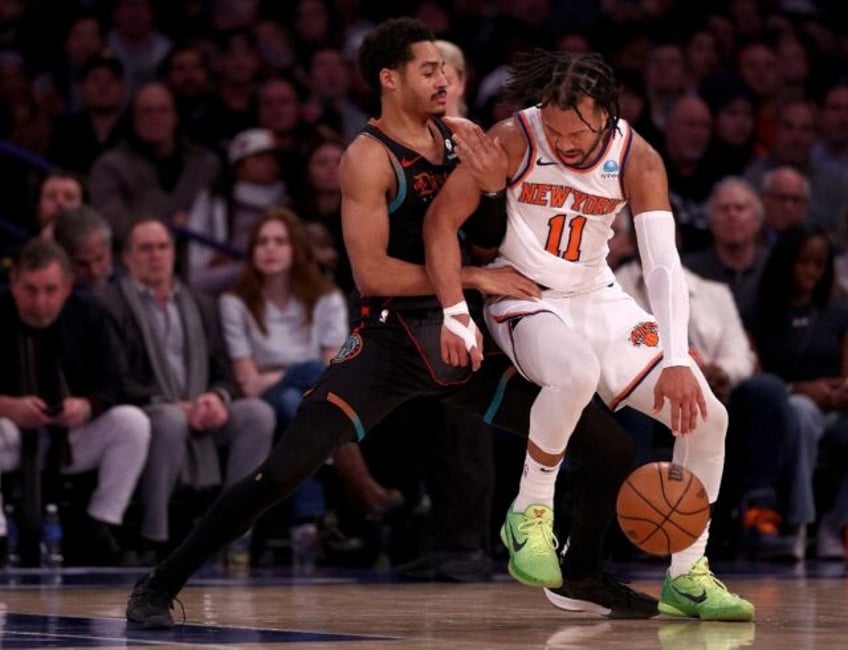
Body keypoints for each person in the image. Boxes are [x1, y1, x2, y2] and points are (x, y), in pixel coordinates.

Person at [125, 17, 655, 628]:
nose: (444, 79)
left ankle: (584, 572)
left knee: (610, 445)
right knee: (284, 470)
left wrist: (486, 195)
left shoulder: (462, 138)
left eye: (447, 69)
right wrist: (474, 281)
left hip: (465, 340)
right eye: (429, 70)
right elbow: (373, 275)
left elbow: (484, 243)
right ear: (389, 78)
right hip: (393, 340)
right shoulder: (366, 157)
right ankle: (160, 584)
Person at [424, 49, 753, 621]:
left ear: (606, 114)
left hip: (596, 297)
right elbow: (439, 222)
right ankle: (529, 512)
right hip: (523, 296)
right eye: (553, 128)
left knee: (709, 417)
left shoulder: (639, 158)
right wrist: (457, 307)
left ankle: (689, 574)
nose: (563, 142)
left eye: (574, 131)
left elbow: (662, 264)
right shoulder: (514, 137)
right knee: (575, 372)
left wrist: (676, 358)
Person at [99, 218, 275, 562]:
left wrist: (218, 398)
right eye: (146, 248)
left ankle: (232, 531)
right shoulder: (111, 304)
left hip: (203, 407)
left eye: (163, 247)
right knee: (168, 420)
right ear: (128, 257)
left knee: (258, 414)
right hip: (149, 408)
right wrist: (173, 404)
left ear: (174, 253)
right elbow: (116, 377)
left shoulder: (201, 303)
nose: (156, 256)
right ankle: (156, 538)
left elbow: (225, 371)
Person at [219, 207, 401, 520]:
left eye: (280, 241)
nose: (270, 249)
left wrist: (280, 376)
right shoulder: (235, 303)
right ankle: (360, 485)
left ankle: (309, 518)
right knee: (309, 379)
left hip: (305, 396)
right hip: (263, 399)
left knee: (299, 405)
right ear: (252, 252)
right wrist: (295, 373)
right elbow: (249, 383)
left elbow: (332, 369)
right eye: (262, 242)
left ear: (297, 249)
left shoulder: (326, 299)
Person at [0, 239, 150, 565]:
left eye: (50, 290)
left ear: (67, 287)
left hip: (71, 436)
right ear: (13, 284)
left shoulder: (88, 313)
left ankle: (101, 525)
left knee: (132, 423)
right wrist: (8, 406)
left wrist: (85, 406)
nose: (40, 302)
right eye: (30, 289)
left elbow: (115, 383)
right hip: (9, 434)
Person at [52, 205, 118, 292]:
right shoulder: (55, 296)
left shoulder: (129, 282)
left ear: (110, 250)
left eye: (99, 259)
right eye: (82, 264)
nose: (94, 272)